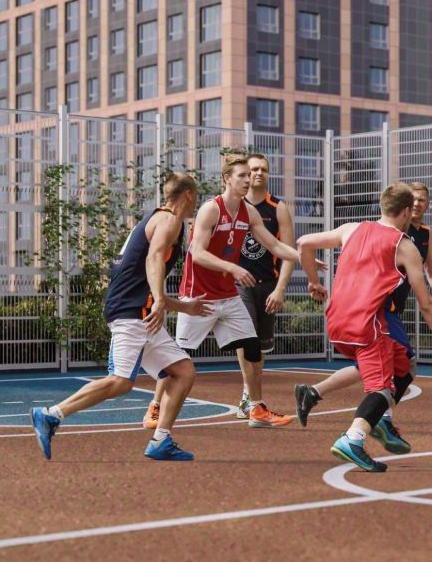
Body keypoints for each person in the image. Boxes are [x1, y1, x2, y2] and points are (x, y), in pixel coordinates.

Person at [30, 173, 211, 461]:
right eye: (196, 197)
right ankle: (51, 414)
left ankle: (160, 441)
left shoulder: (154, 219)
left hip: (141, 313)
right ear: (188, 194)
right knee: (120, 381)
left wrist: (181, 306)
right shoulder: (169, 221)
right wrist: (160, 301)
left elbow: (142, 278)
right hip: (131, 313)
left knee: (184, 372)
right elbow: (153, 259)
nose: (196, 203)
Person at [298, 182, 432, 473]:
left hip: (336, 319)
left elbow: (304, 243)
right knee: (383, 387)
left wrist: (314, 281)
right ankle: (353, 438)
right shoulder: (404, 246)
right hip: (368, 324)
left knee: (403, 366)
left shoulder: (351, 229)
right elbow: (425, 304)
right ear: (406, 211)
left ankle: (371, 417)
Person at [144, 153, 301, 429]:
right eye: (242, 175)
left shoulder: (249, 212)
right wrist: (233, 268)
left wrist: (303, 257)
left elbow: (274, 246)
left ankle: (256, 408)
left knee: (252, 347)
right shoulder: (211, 209)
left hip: (227, 296)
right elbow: (197, 252)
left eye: (249, 175)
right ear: (227, 178)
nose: (248, 179)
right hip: (198, 296)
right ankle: (155, 407)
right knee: (178, 356)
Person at [232, 152, 297, 418]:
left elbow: (287, 251)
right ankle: (249, 397)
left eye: (263, 170)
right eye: (254, 169)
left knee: (260, 346)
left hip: (268, 284)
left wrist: (280, 289)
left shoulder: (278, 208)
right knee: (245, 336)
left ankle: (252, 396)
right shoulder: (234, 205)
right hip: (239, 283)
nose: (259, 173)